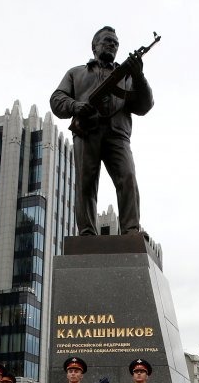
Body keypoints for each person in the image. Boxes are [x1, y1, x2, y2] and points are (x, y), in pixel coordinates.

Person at [50, 25, 154, 237]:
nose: (112, 45)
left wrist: (139, 76)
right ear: (94, 46)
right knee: (86, 183)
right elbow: (57, 99)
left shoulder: (126, 76)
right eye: (107, 41)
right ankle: (87, 232)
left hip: (118, 134)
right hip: (87, 131)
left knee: (128, 177)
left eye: (116, 43)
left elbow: (145, 105)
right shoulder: (76, 73)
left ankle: (131, 229)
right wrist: (76, 106)